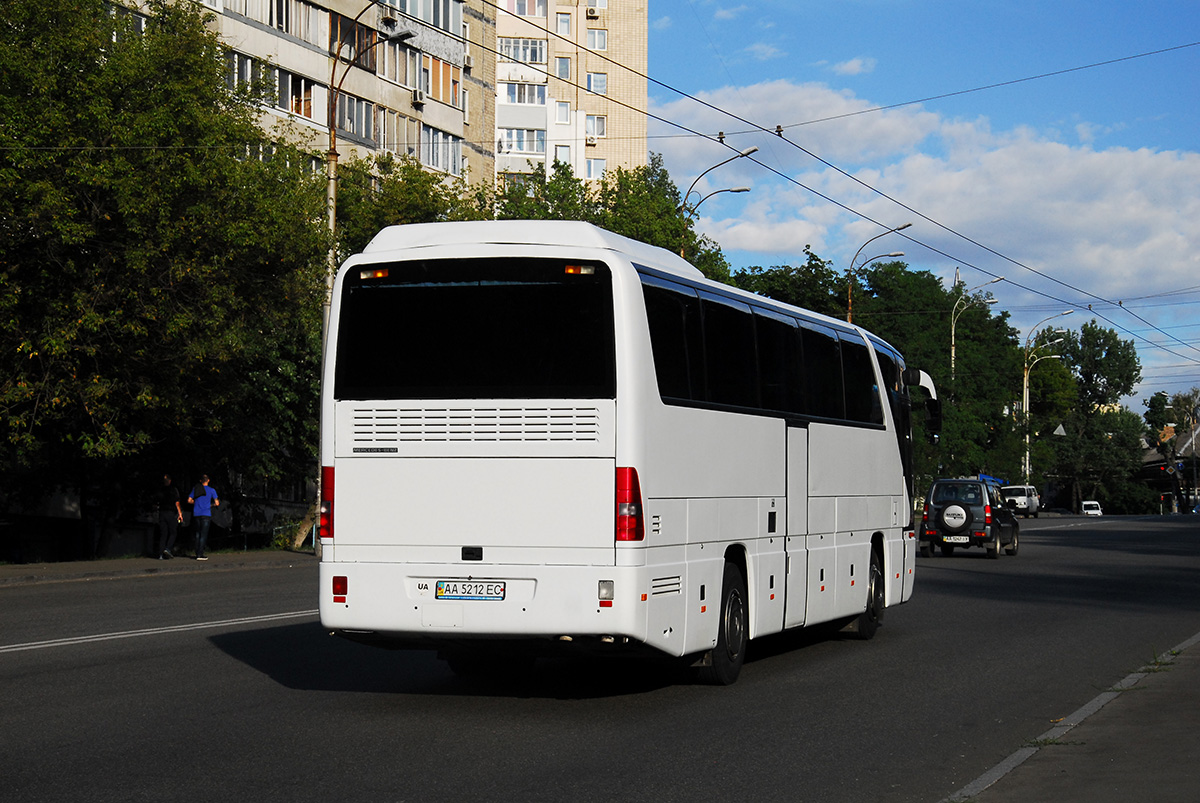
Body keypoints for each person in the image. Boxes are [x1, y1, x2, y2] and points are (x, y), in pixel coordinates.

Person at [188, 475, 220, 561]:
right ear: (208, 480)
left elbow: (189, 500)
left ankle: (196, 551)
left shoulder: (196, 489)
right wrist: (211, 505)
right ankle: (200, 553)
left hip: (197, 513)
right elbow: (217, 503)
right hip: (206, 513)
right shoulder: (212, 490)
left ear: (200, 481)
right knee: (203, 534)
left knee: (197, 534)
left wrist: (196, 502)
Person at [156, 474, 182, 559]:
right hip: (171, 512)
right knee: (173, 532)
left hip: (162, 512)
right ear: (170, 481)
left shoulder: (160, 490)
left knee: (163, 533)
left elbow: (156, 502)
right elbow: (177, 503)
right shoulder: (173, 490)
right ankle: (168, 548)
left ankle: (160, 554)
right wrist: (180, 514)